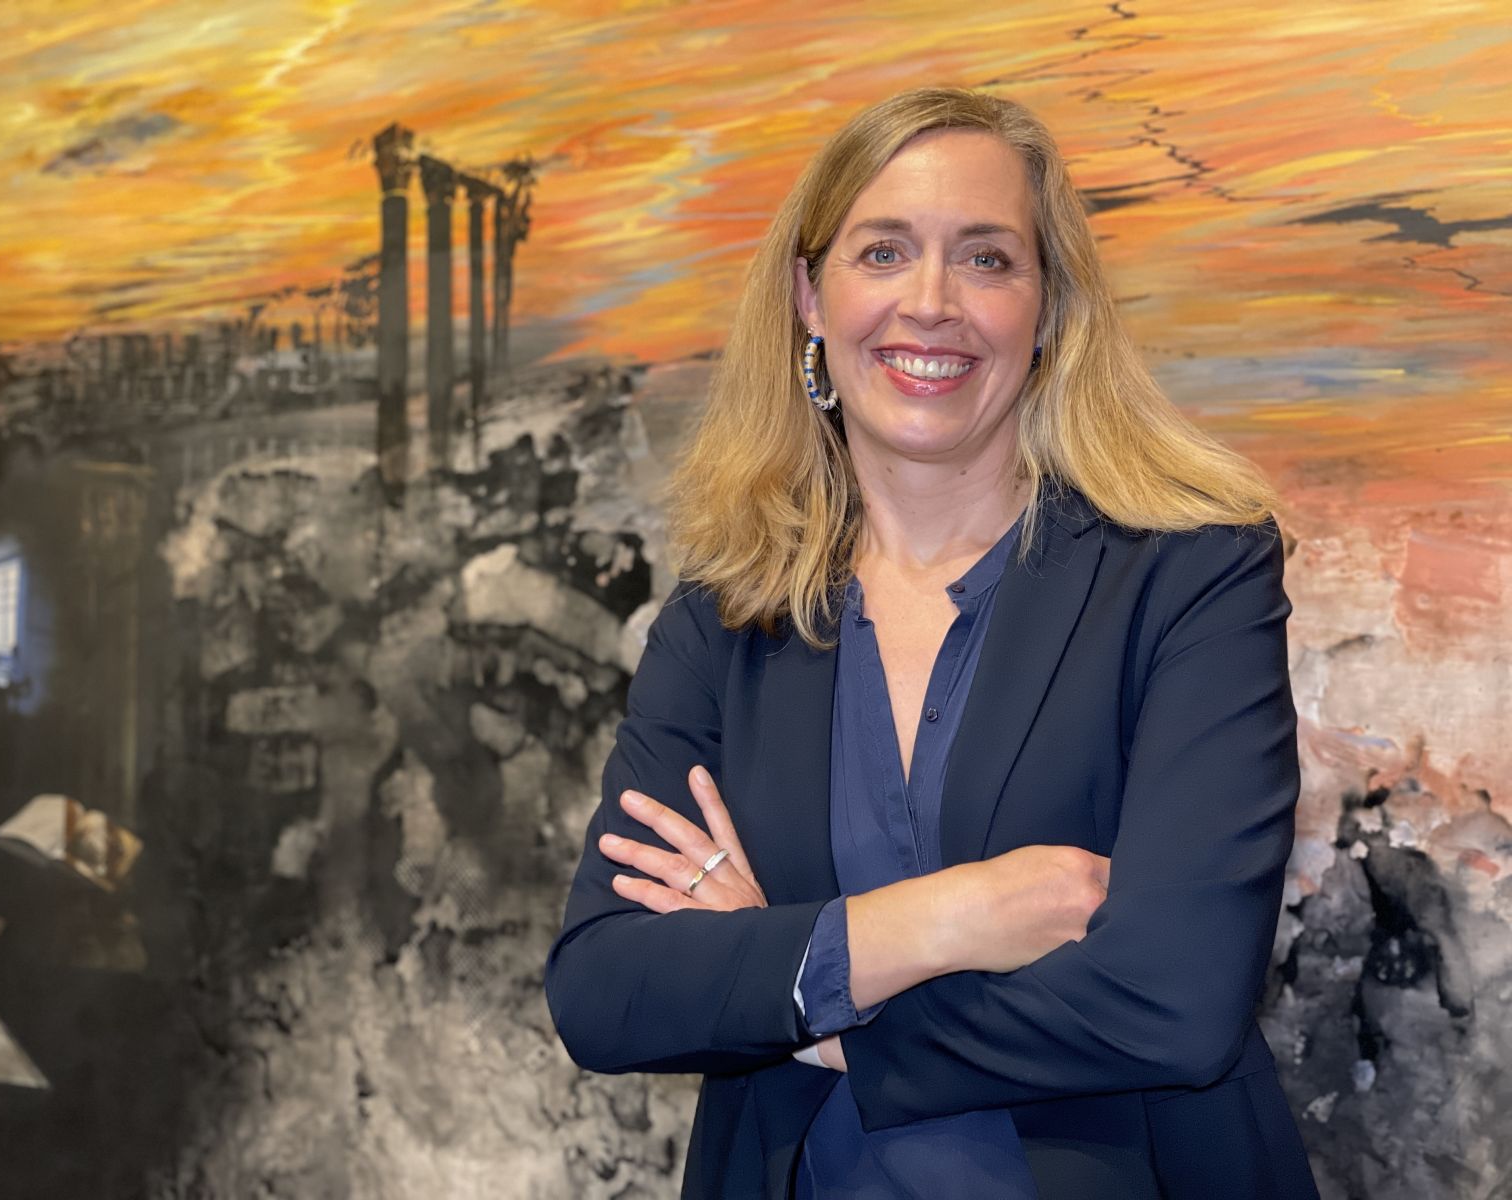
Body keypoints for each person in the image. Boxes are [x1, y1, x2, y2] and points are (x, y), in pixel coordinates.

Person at [544, 86, 1319, 1199]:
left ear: (1048, 308)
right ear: (811, 296)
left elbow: (1174, 1001)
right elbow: (608, 990)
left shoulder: (1192, 578)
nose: (930, 303)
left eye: (988, 260)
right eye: (883, 252)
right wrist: (953, 916)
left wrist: (803, 998)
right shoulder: (721, 627)